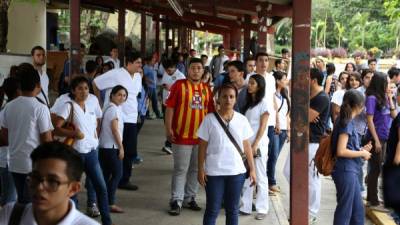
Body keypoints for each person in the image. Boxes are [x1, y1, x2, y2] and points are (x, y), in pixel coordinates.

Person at [53, 76, 112, 225]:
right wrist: (74, 134)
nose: (84, 91)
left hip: (91, 152)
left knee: (101, 187)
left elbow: (95, 123)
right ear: (73, 90)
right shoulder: (68, 105)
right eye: (80, 88)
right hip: (75, 154)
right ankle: (74, 221)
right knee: (73, 191)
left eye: (86, 88)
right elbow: (56, 129)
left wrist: (95, 138)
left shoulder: (91, 103)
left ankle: (107, 221)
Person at [197, 83, 256, 225]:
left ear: (235, 99)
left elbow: (247, 146)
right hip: (214, 173)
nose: (228, 100)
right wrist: (200, 169)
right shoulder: (209, 119)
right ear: (218, 99)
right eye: (224, 96)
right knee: (212, 209)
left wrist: (252, 169)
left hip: (236, 173)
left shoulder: (242, 120)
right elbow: (202, 147)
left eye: (231, 97)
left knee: (233, 209)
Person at [0, 142, 99, 225]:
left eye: (52, 181)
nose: (39, 187)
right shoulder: (11, 215)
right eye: (35, 177)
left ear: (73, 189)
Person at [165, 58, 214, 216]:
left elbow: (211, 113)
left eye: (199, 68)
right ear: (188, 70)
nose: (196, 71)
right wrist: (168, 129)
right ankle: (176, 200)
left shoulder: (207, 89)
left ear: (203, 70)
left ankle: (189, 198)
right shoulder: (179, 86)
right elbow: (170, 108)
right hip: (181, 136)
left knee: (195, 169)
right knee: (180, 169)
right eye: (193, 68)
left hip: (201, 139)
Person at [0, 63, 53, 204]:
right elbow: (47, 140)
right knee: (31, 205)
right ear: (38, 85)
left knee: (22, 202)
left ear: (19, 86)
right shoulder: (40, 108)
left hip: (14, 162)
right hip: (33, 165)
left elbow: (4, 136)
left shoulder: (8, 107)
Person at [93, 52, 143, 190]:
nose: (140, 65)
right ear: (129, 63)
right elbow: (96, 83)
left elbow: (135, 95)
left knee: (130, 150)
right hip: (115, 117)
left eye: (140, 63)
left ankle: (124, 179)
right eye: (138, 62)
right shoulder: (116, 73)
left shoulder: (138, 77)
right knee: (112, 149)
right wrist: (99, 102)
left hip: (132, 118)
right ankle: (108, 178)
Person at [331, 89, 372, 225]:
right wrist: (362, 153)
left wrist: (361, 150)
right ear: (359, 106)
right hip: (345, 170)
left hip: (350, 169)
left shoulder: (346, 120)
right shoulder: (347, 122)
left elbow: (347, 147)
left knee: (357, 210)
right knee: (345, 210)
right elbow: (341, 151)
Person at [365, 72, 397, 212]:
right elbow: (370, 120)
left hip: (386, 137)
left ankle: (373, 197)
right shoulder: (371, 98)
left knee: (379, 167)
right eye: (386, 82)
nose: (388, 85)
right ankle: (373, 201)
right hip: (375, 138)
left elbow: (394, 116)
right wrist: (376, 140)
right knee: (375, 168)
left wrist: (390, 98)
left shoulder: (385, 97)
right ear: (380, 83)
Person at [239, 75, 269, 220]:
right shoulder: (248, 104)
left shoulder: (264, 103)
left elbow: (263, 126)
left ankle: (262, 208)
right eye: (249, 83)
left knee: (261, 176)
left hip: (259, 144)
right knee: (247, 175)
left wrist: (256, 143)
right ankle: (245, 206)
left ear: (259, 86)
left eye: (252, 83)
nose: (249, 85)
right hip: (246, 144)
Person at [99, 85, 127, 214]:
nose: (122, 97)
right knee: (117, 174)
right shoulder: (113, 110)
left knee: (105, 175)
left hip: (104, 147)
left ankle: (102, 201)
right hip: (111, 147)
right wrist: (121, 147)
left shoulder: (109, 108)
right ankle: (110, 203)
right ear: (112, 95)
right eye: (119, 95)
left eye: (124, 95)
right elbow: (115, 130)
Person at [268, 71, 290, 192]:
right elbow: (274, 112)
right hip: (276, 129)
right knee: (273, 155)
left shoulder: (284, 94)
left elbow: (287, 114)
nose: (286, 81)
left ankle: (269, 180)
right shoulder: (272, 95)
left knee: (274, 157)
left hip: (284, 130)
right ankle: (271, 182)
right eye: (284, 79)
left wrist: (289, 130)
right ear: (277, 81)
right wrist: (277, 124)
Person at [0, 77, 20, 206]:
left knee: (9, 196)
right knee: (10, 199)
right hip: (7, 159)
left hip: (8, 159)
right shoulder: (7, 111)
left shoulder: (6, 110)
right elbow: (5, 139)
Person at [160, 59, 185, 155]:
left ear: (175, 68)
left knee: (172, 125)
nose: (168, 72)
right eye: (166, 70)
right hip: (165, 102)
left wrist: (171, 88)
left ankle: (169, 144)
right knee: (167, 124)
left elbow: (182, 92)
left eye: (170, 70)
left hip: (175, 105)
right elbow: (163, 83)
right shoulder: (166, 73)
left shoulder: (181, 76)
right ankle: (170, 144)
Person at [143, 55, 162, 119]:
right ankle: (146, 114)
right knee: (147, 101)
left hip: (153, 86)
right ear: (149, 61)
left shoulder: (153, 67)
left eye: (154, 60)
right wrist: (149, 81)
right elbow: (144, 76)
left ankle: (157, 113)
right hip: (149, 86)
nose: (154, 61)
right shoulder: (146, 67)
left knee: (154, 100)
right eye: (152, 60)